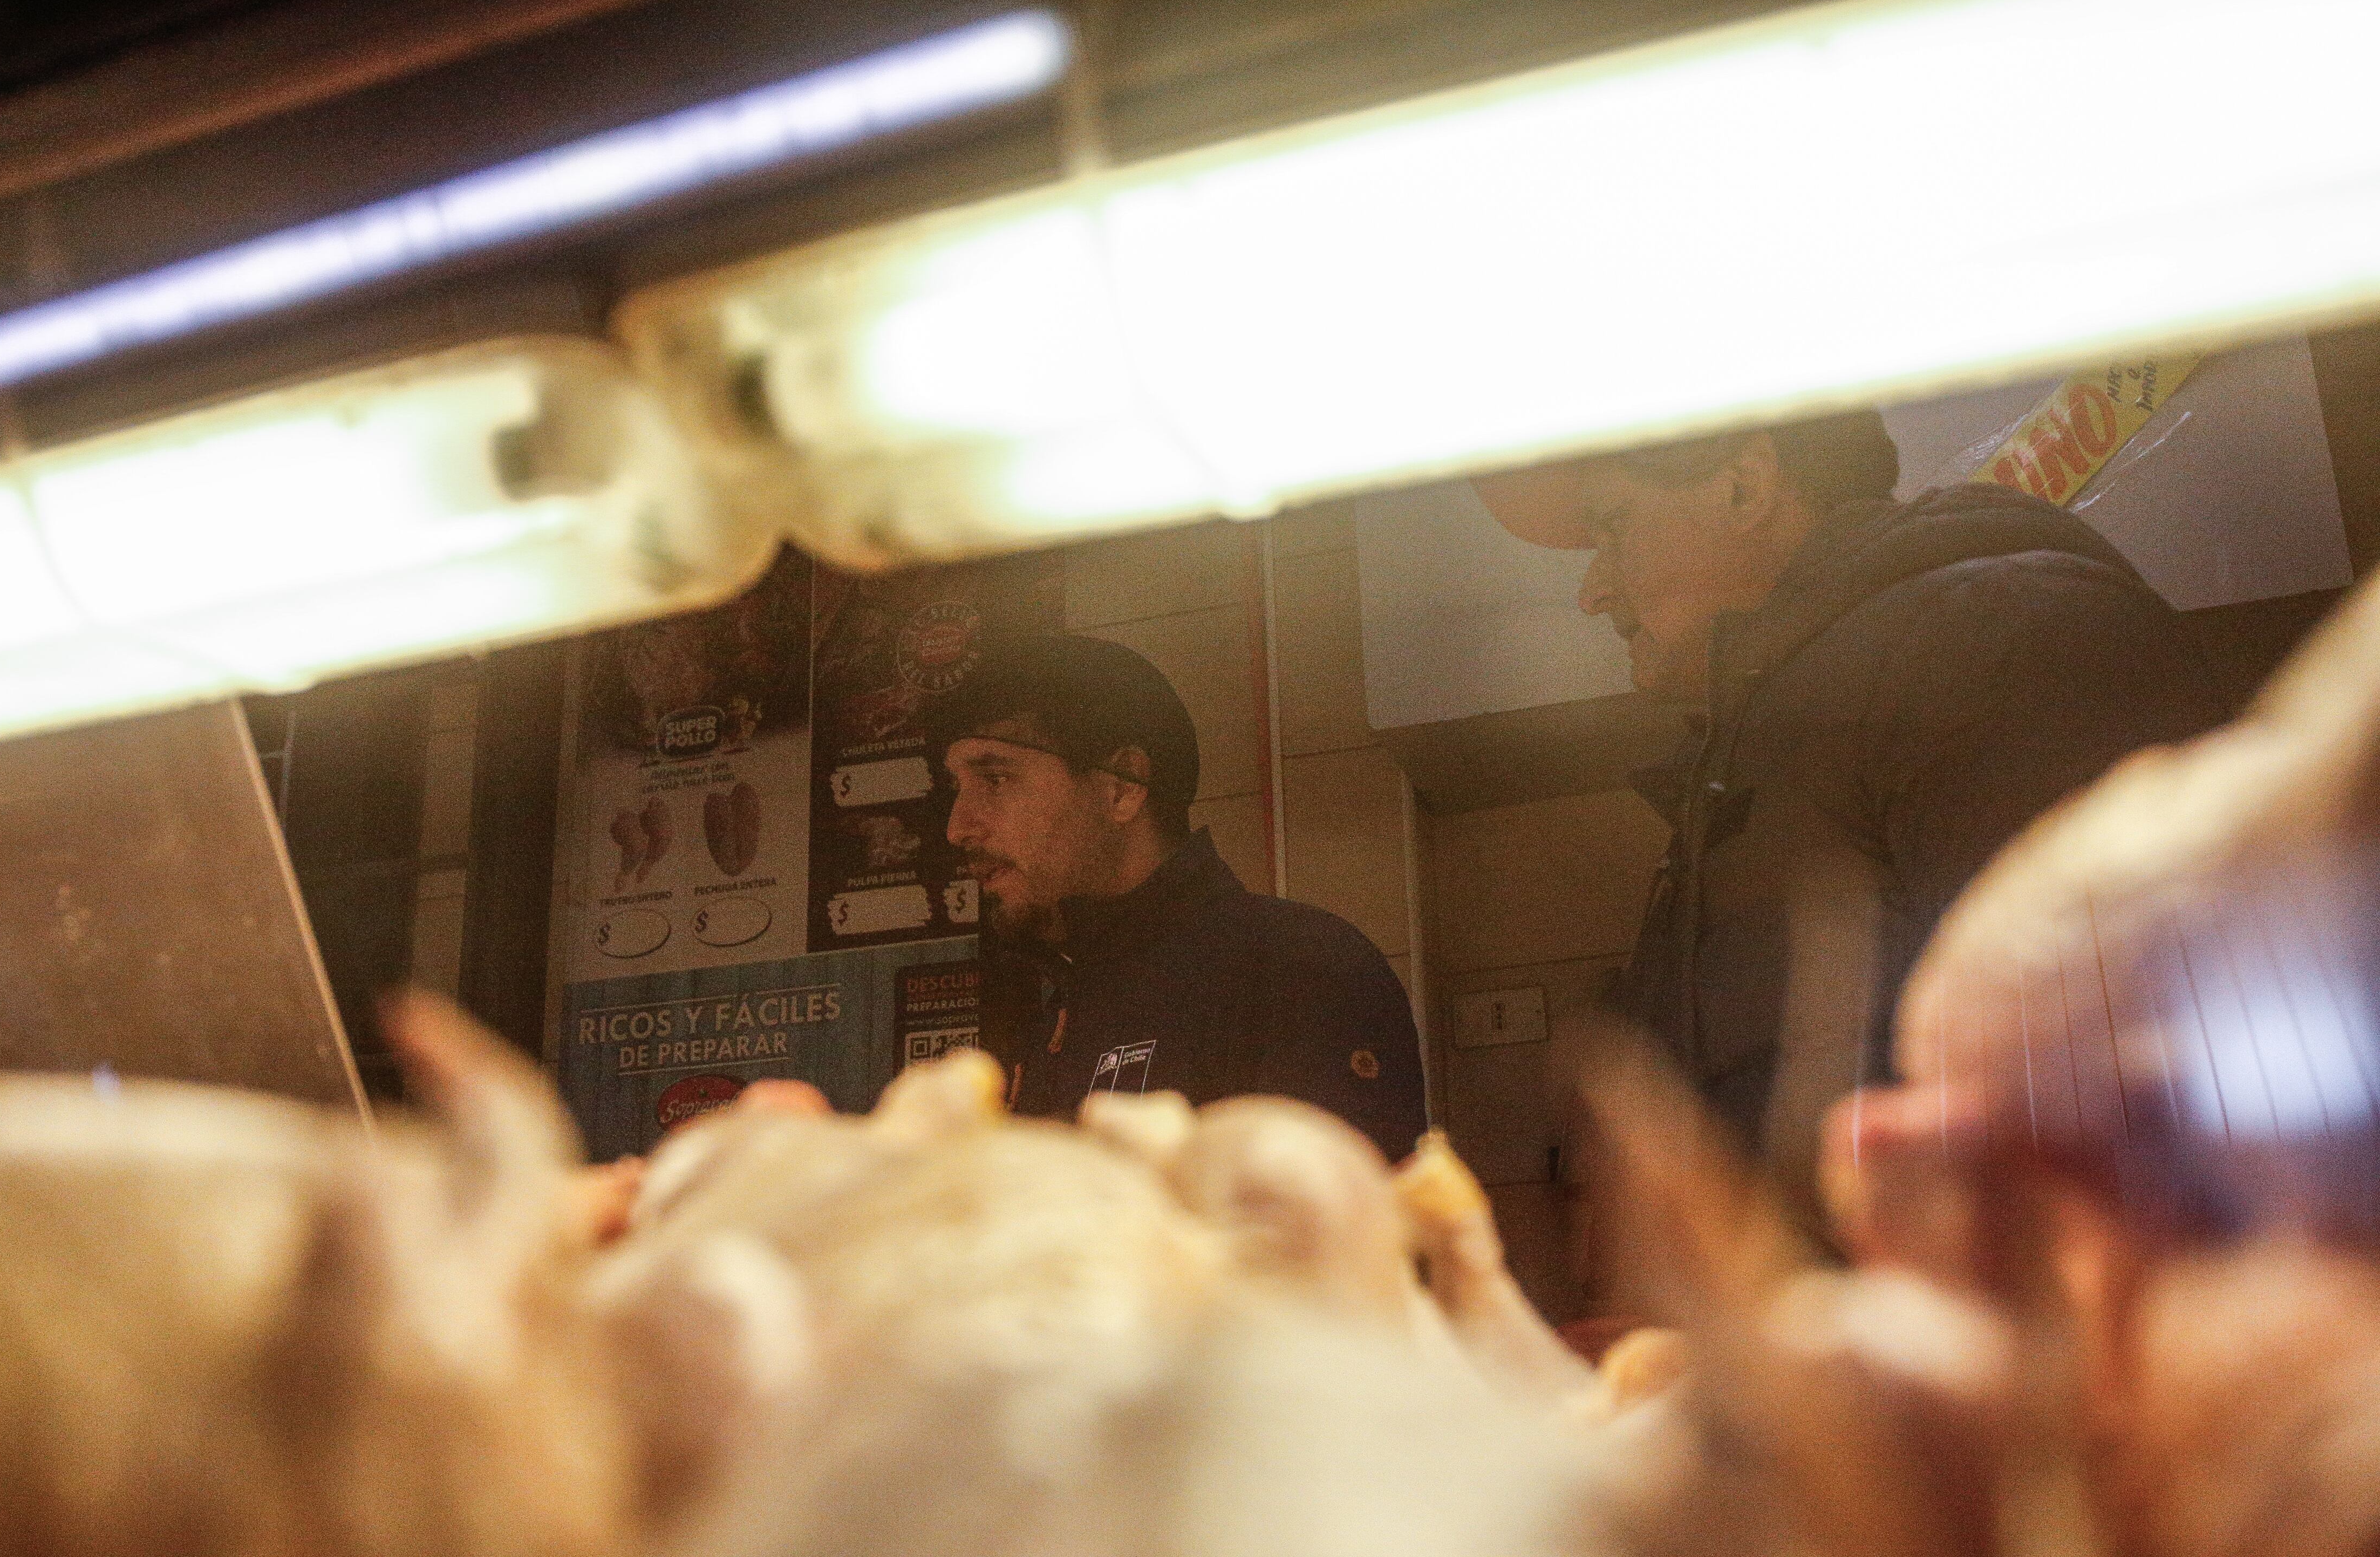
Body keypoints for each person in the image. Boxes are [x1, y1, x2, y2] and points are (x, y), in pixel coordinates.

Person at [1476, 408, 2218, 1232]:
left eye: (1613, 526)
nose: (1594, 592)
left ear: (1744, 486)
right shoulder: (1769, 740)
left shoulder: (1992, 637)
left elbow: (2132, 1097)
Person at [929, 633, 1427, 1160]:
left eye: (996, 779)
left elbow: (1336, 1211)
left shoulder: (1295, 967)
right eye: (957, 787)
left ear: (1122, 788)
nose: (957, 827)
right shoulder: (1059, 1008)